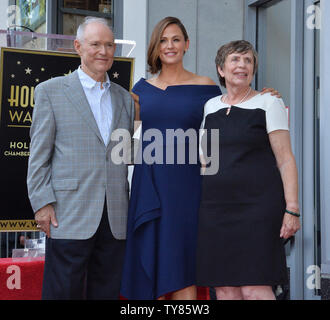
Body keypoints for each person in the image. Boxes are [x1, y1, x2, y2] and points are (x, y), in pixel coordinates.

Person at [120, 17, 279, 300]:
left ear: (186, 44)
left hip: (189, 187)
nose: (170, 46)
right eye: (163, 40)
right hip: (150, 185)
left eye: (176, 39)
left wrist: (263, 97)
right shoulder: (139, 91)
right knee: (152, 263)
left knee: (182, 265)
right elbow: (123, 142)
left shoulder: (205, 87)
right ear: (155, 47)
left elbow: (230, 113)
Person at [27, 17, 134, 300]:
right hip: (68, 213)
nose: (104, 51)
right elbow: (38, 155)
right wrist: (42, 204)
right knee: (62, 292)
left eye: (109, 45)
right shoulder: (50, 92)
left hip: (115, 217)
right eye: (95, 44)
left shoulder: (124, 98)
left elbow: (121, 154)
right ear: (78, 47)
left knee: (107, 292)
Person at [196, 40, 300, 300]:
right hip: (216, 211)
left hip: (258, 210)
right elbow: (206, 160)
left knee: (255, 288)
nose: (242, 65)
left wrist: (292, 209)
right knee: (225, 288)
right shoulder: (211, 107)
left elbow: (285, 159)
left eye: (248, 61)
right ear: (221, 69)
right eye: (235, 59)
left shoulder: (268, 102)